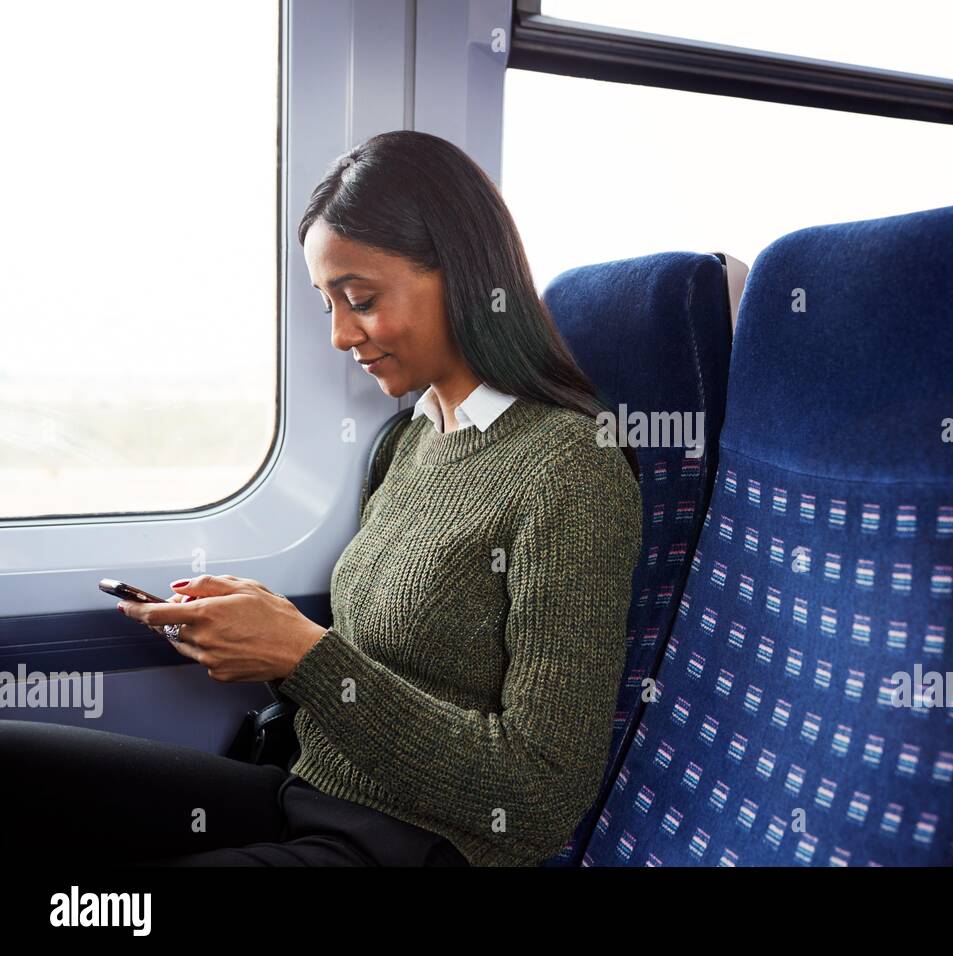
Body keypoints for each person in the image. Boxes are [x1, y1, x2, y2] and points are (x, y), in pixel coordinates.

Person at [0, 130, 643, 866]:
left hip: (413, 846)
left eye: (360, 300)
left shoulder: (569, 472)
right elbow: (376, 670)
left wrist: (304, 654)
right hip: (305, 794)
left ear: (462, 276)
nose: (341, 335)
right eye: (328, 304)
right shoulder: (413, 442)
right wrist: (264, 632)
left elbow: (536, 799)